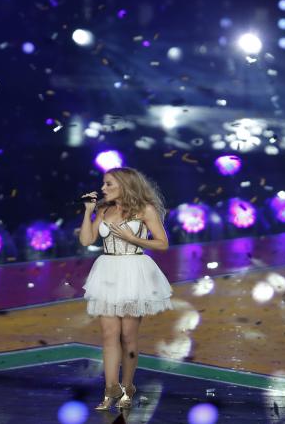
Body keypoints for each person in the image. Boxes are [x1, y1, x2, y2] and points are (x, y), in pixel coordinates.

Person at [78, 167, 173, 411]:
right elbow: (87, 241)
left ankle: (127, 386)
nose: (102, 189)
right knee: (109, 335)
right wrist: (88, 212)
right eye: (103, 184)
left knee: (127, 336)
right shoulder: (102, 209)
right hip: (107, 271)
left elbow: (162, 243)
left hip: (133, 271)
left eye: (108, 184)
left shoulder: (145, 209)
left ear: (124, 185)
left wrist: (134, 239)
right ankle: (110, 390)